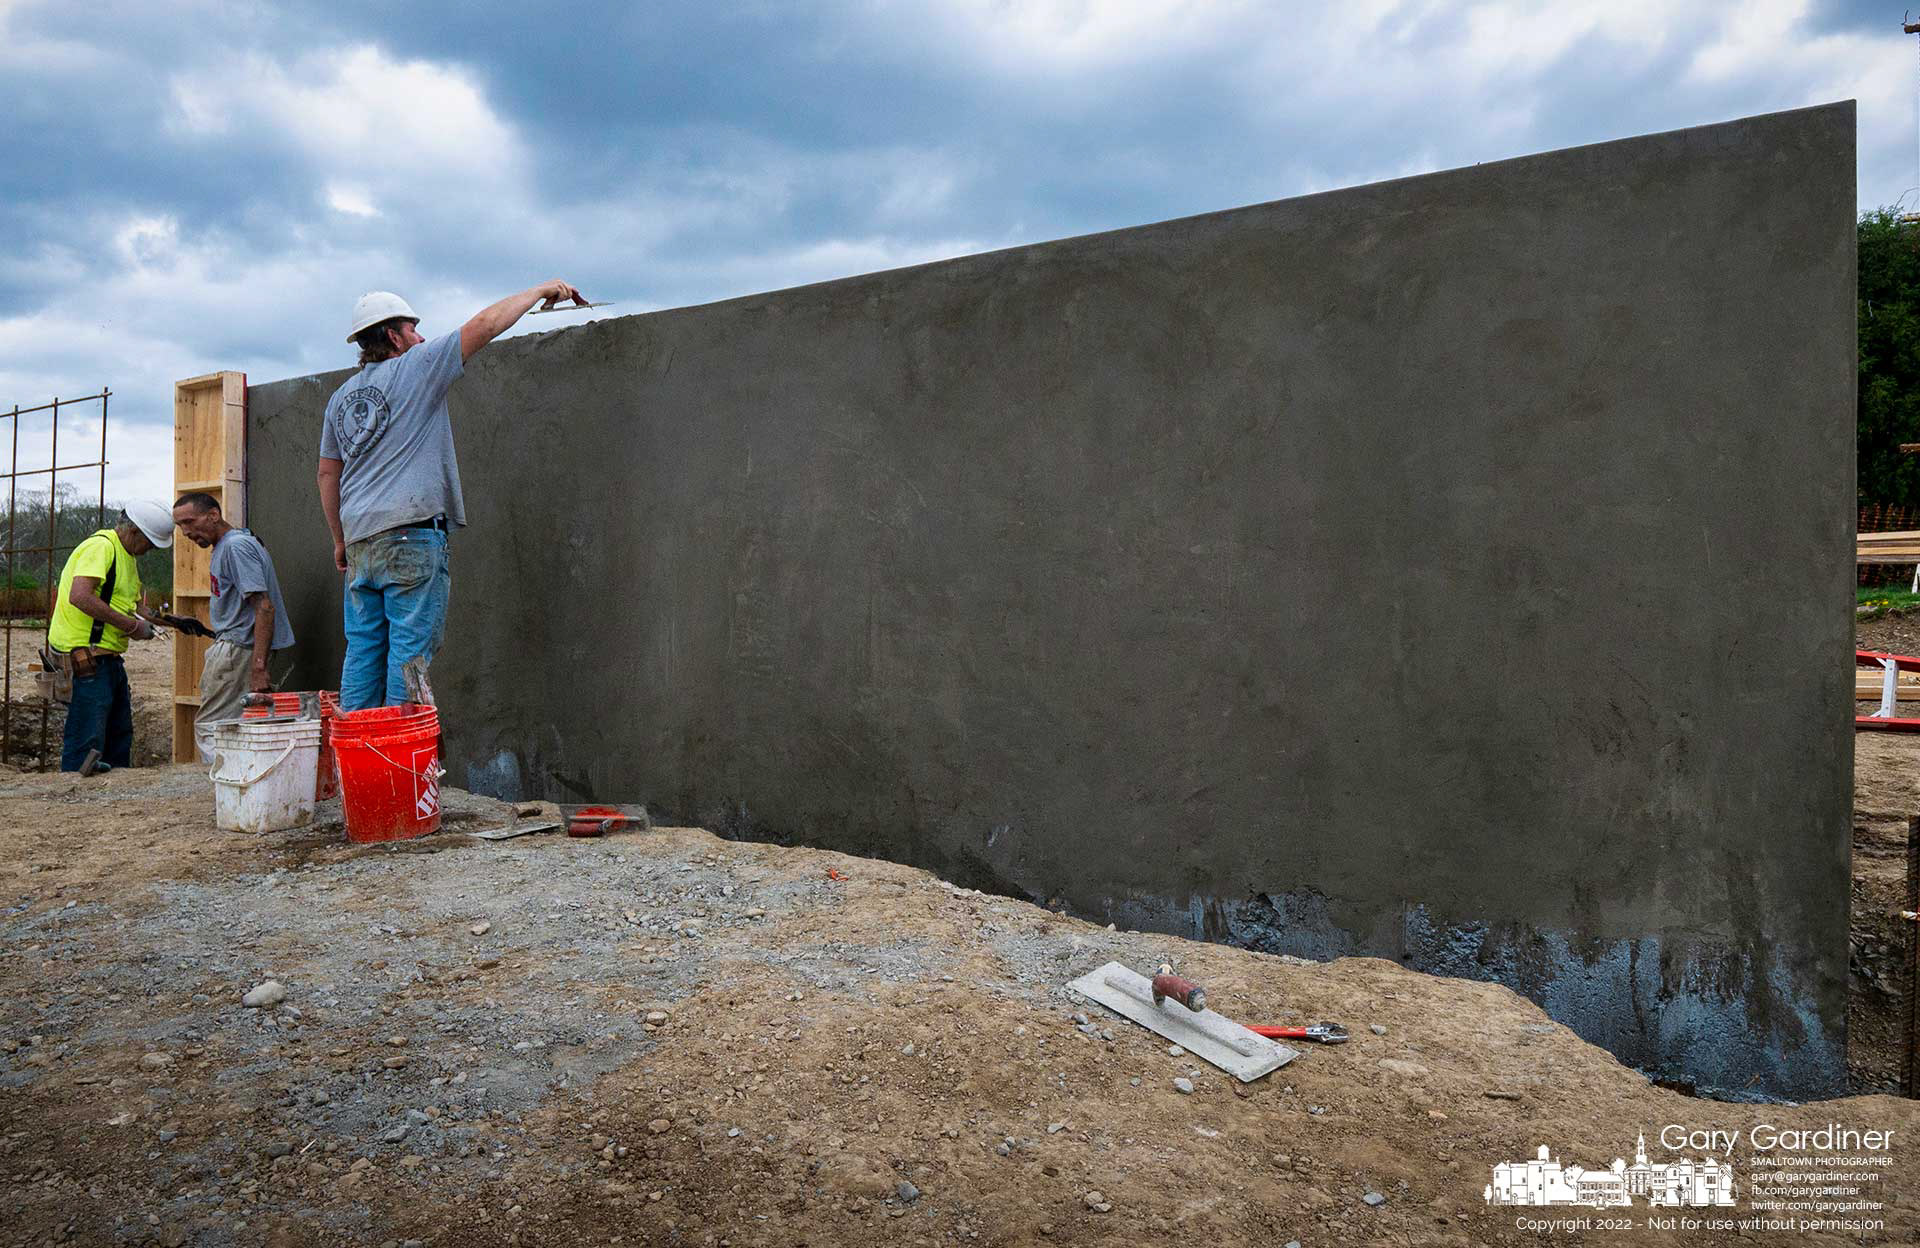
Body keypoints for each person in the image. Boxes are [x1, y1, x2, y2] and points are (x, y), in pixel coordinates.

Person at [317, 280, 587, 710]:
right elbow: (484, 325)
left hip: (360, 542)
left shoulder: (340, 400)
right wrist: (540, 291)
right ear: (392, 336)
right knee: (408, 659)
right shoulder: (418, 365)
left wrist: (339, 539)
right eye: (413, 329)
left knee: (363, 653)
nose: (421, 337)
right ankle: (396, 770)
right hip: (409, 536)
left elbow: (327, 473)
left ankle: (356, 765)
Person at [46, 501, 173, 773]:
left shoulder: (127, 557)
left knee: (119, 734)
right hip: (87, 658)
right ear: (134, 531)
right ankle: (74, 800)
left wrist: (173, 620)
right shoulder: (102, 547)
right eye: (149, 542)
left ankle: (115, 800)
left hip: (107, 659)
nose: (149, 550)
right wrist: (131, 627)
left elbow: (136, 608)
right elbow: (80, 596)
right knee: (86, 739)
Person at [171, 492, 296, 762]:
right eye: (180, 525)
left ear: (213, 515)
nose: (185, 532)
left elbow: (264, 607)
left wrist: (259, 668)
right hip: (237, 647)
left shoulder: (235, 547)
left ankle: (225, 793)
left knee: (213, 727)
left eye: (189, 522)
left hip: (238, 650)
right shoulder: (229, 546)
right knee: (236, 727)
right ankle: (237, 792)